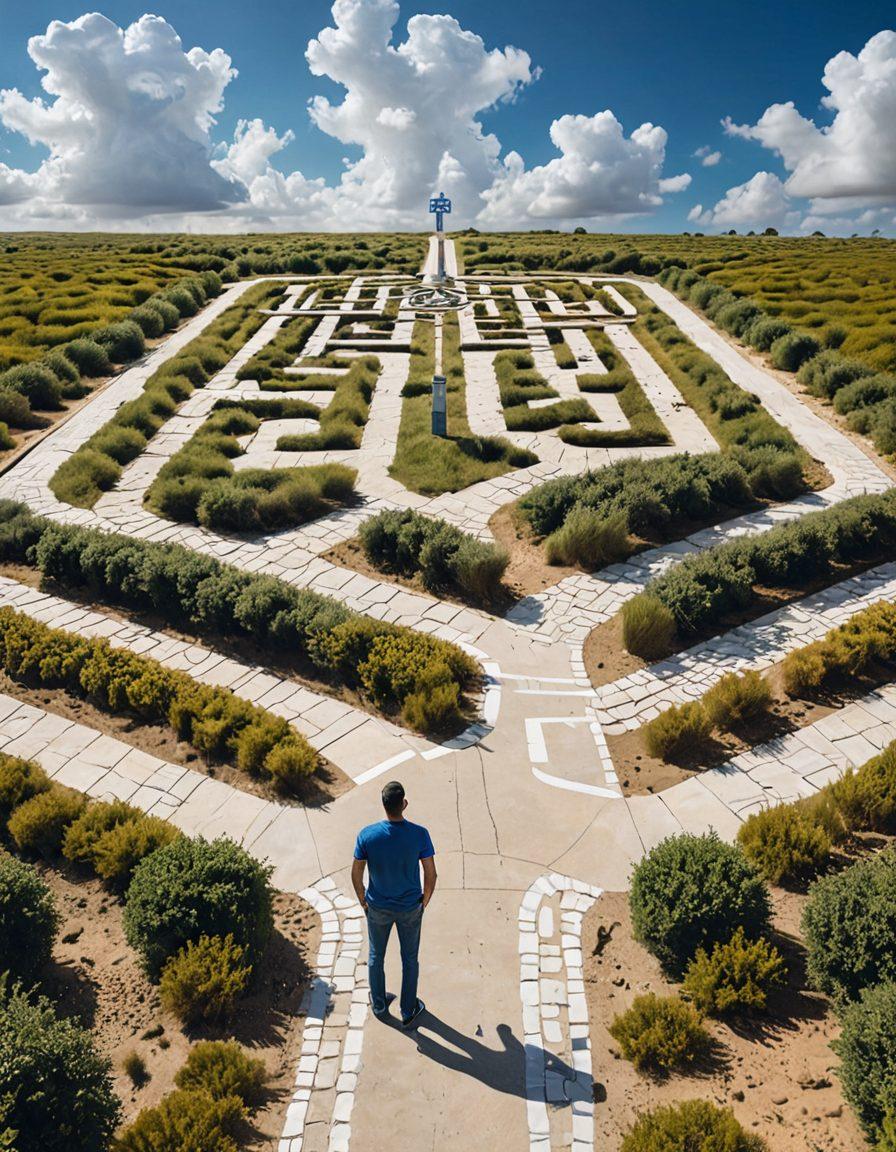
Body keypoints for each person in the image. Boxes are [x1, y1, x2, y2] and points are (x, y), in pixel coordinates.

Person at [351, 780, 436, 1028]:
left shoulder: (367, 835)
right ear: (404, 804)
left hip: (377, 907)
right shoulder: (420, 834)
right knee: (410, 958)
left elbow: (356, 875)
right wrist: (424, 902)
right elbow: (431, 874)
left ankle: (379, 1004)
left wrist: (363, 901)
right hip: (410, 907)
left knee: (376, 955)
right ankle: (408, 1010)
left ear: (384, 805)